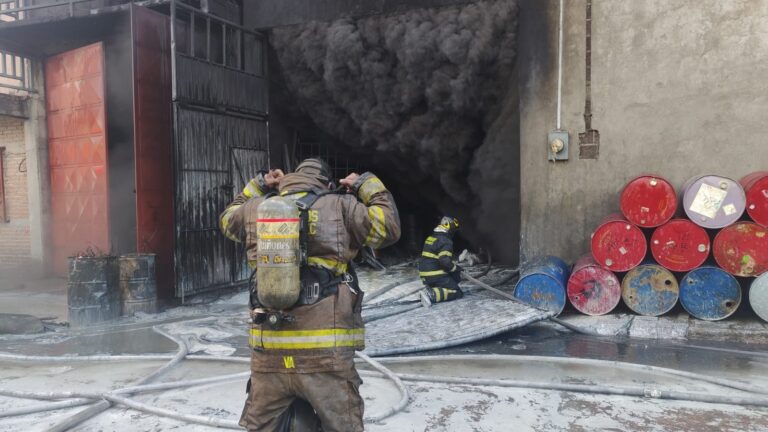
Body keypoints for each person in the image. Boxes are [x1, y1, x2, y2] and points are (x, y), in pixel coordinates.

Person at [219, 158, 401, 432]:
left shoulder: (257, 210)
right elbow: (388, 227)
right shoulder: (342, 206)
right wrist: (365, 184)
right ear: (328, 184)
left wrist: (258, 184)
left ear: (287, 181)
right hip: (326, 357)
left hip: (269, 356)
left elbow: (226, 219)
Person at [418, 216, 463, 306]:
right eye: (453, 229)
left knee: (452, 277)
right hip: (435, 274)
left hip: (425, 274)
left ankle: (432, 288)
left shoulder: (431, 238)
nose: (453, 232)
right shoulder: (446, 241)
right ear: (447, 227)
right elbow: (444, 261)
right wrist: (456, 268)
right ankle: (432, 294)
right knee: (456, 291)